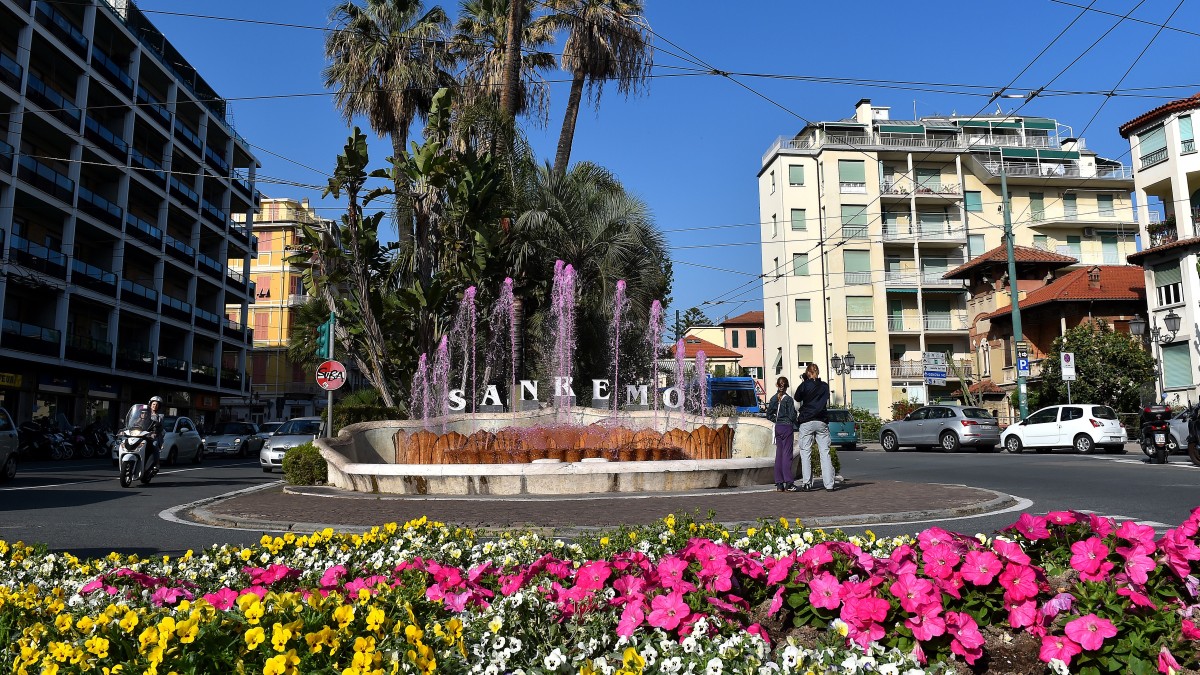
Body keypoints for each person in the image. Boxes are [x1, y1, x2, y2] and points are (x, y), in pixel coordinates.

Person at [794, 363, 836, 492]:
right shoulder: (825, 386)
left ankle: (807, 483)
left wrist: (804, 382)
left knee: (805, 452)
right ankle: (829, 484)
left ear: (808, 373)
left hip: (807, 420)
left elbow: (797, 397)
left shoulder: (805, 385)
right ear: (818, 372)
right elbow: (825, 398)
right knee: (825, 452)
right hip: (821, 420)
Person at [764, 376, 800, 491]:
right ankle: (789, 482)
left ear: (777, 385)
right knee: (787, 455)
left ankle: (779, 483)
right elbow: (792, 416)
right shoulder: (788, 399)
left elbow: (768, 415)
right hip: (787, 427)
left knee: (779, 455)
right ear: (787, 386)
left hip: (778, 427)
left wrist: (776, 420)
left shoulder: (773, 399)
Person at [131, 396, 166, 474]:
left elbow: (160, 428)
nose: (155, 406)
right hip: (142, 434)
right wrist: (136, 421)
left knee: (155, 444)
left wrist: (155, 432)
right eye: (153, 404)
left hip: (153, 436)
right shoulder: (145, 413)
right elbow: (135, 423)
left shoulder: (160, 417)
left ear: (159, 406)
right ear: (150, 404)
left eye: (156, 405)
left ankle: (156, 464)